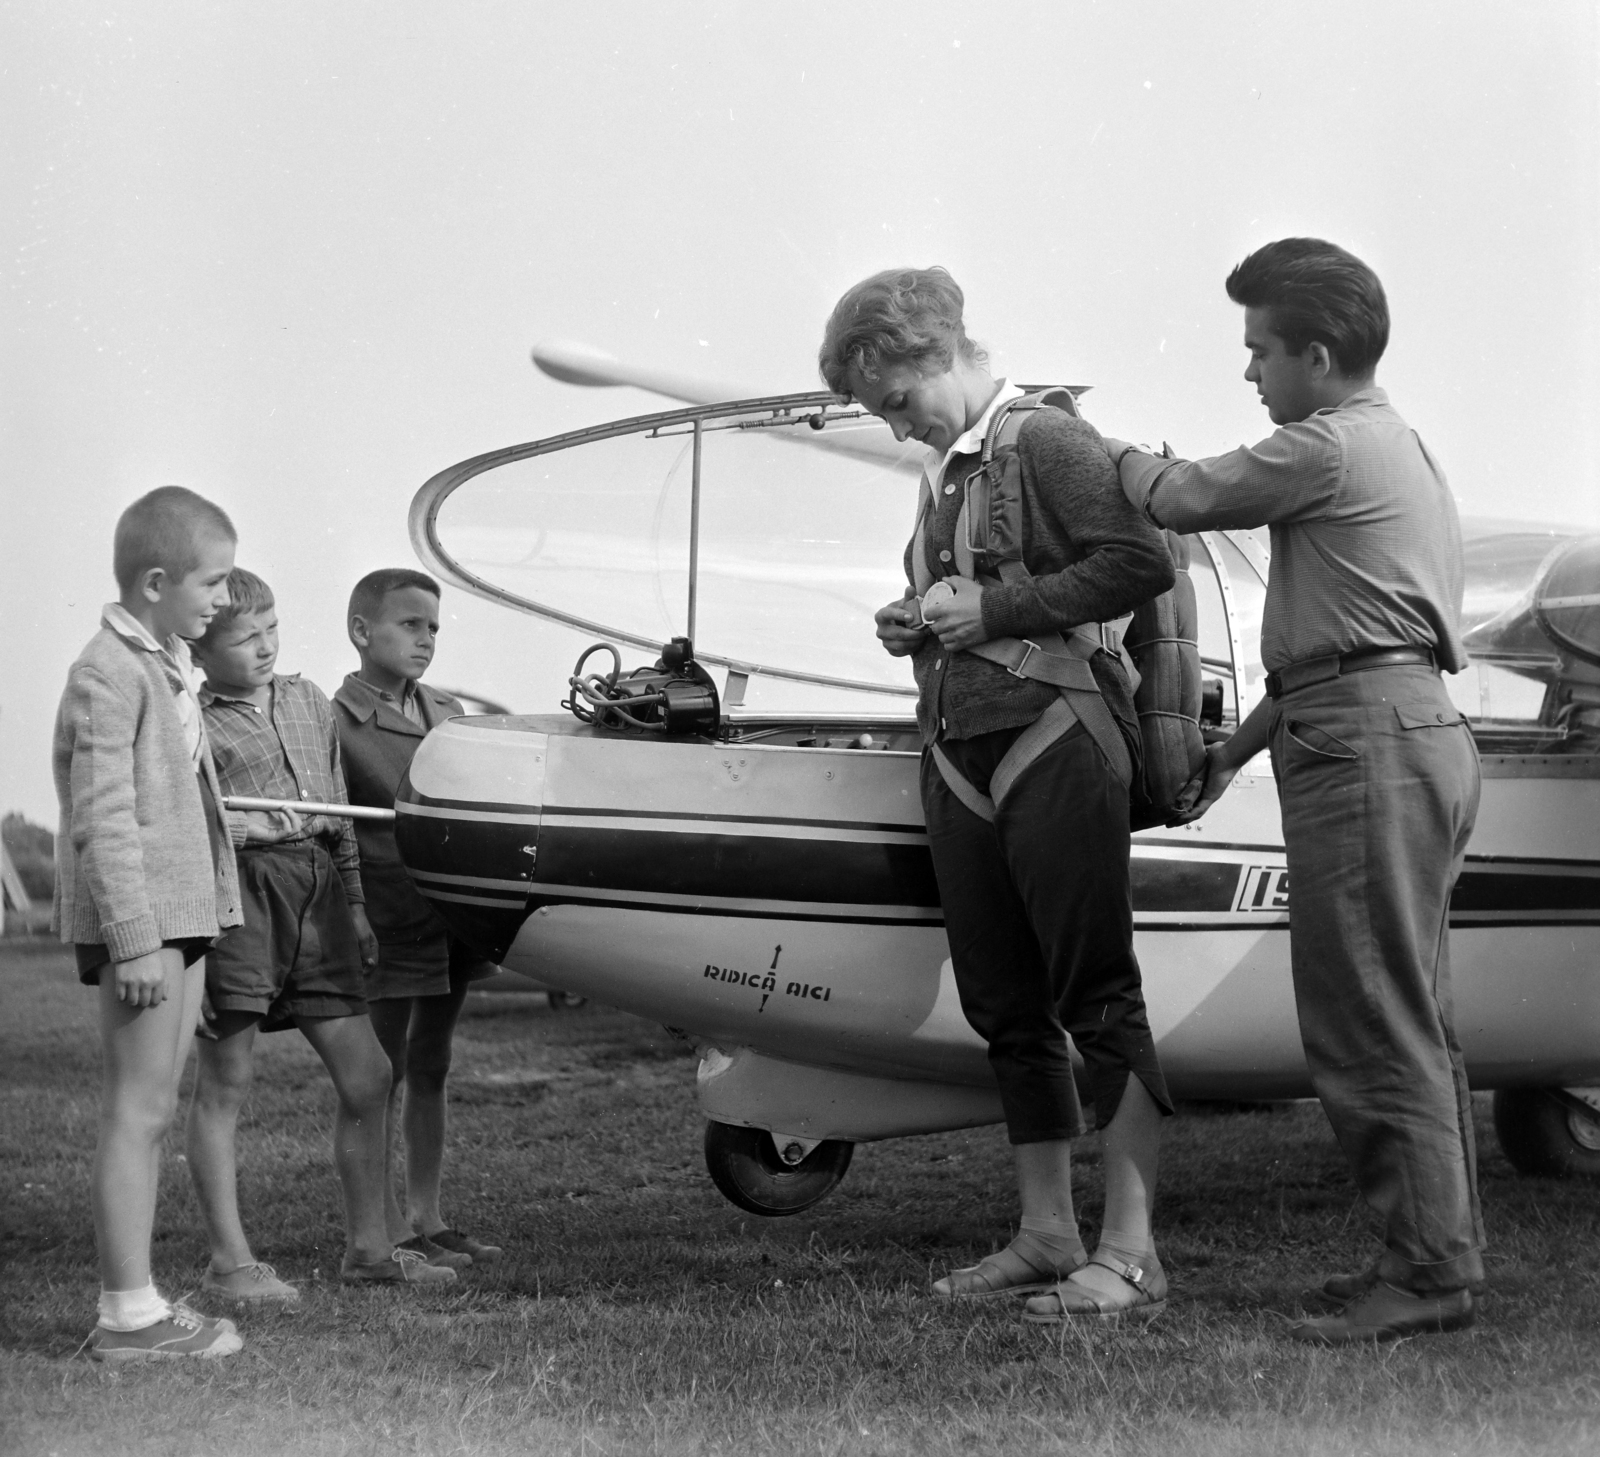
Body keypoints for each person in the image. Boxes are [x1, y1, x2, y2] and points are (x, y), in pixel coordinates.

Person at [1106, 237, 1483, 1344]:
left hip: (1368, 744)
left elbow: (1176, 495)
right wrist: (1236, 752)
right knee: (1409, 1014)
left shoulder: (1322, 445)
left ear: (1316, 354)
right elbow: (1345, 644)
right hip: (1389, 722)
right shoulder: (1389, 444)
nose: (1249, 374)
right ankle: (1435, 1257)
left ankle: (1424, 1273)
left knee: (1367, 1016)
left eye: (1259, 350)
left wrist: (1083, 444)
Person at [819, 268, 1175, 1323]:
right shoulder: (949, 470)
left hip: (1054, 740)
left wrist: (993, 607)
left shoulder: (1045, 439)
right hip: (961, 752)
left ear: (928, 356)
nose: (894, 429)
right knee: (1005, 1008)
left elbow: (1139, 560)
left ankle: (1132, 1249)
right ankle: (1046, 1232)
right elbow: (976, 603)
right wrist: (917, 619)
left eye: (893, 403)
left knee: (1096, 994)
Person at [184, 568, 459, 1296]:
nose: (264, 646)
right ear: (198, 650)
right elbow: (191, 831)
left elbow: (338, 812)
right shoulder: (193, 720)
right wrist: (200, 939)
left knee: (370, 1073)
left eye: (271, 629)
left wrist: (359, 906)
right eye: (244, 638)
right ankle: (229, 1263)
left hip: (323, 895)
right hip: (242, 899)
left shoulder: (308, 700)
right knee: (226, 1080)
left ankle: (371, 1247)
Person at [52, 486, 245, 1360]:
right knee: (136, 1109)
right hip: (144, 925)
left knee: (155, 1104)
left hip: (180, 918)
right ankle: (127, 1318)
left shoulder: (163, 662)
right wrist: (134, 936)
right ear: (157, 579)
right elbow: (104, 815)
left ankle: (139, 1305)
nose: (225, 600)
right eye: (215, 581)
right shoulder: (108, 670)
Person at [333, 569, 503, 1267]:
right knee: (380, 1070)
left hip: (450, 912)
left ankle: (426, 1215)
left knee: (433, 1060)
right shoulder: (336, 719)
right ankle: (383, 1233)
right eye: (409, 624)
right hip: (387, 912)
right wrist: (354, 913)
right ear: (362, 631)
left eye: (433, 626)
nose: (425, 638)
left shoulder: (448, 710)